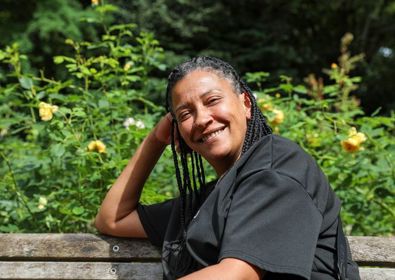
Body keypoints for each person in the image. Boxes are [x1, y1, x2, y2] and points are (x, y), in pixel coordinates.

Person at [95, 57, 360, 280]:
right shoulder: (209, 201)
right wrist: (155, 140)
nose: (202, 119)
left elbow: (235, 274)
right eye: (185, 114)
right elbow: (112, 220)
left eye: (212, 101)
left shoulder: (278, 168)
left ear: (245, 104)